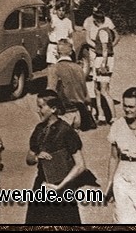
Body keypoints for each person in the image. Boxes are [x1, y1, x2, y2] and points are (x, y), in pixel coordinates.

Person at [25, 90, 86, 224]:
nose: (38, 110)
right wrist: (36, 158)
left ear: (53, 109)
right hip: (41, 186)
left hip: (62, 190)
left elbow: (80, 166)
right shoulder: (39, 129)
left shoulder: (66, 131)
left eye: (41, 106)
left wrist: (60, 187)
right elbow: (29, 158)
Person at [107, 87, 136, 224]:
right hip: (122, 174)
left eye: (131, 106)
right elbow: (113, 157)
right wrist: (110, 183)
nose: (127, 110)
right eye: (125, 105)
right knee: (122, 219)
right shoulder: (117, 125)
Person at [46, 39, 89, 129]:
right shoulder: (79, 68)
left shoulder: (54, 68)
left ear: (57, 53)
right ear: (70, 52)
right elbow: (86, 95)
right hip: (78, 113)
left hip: (63, 113)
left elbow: (50, 92)